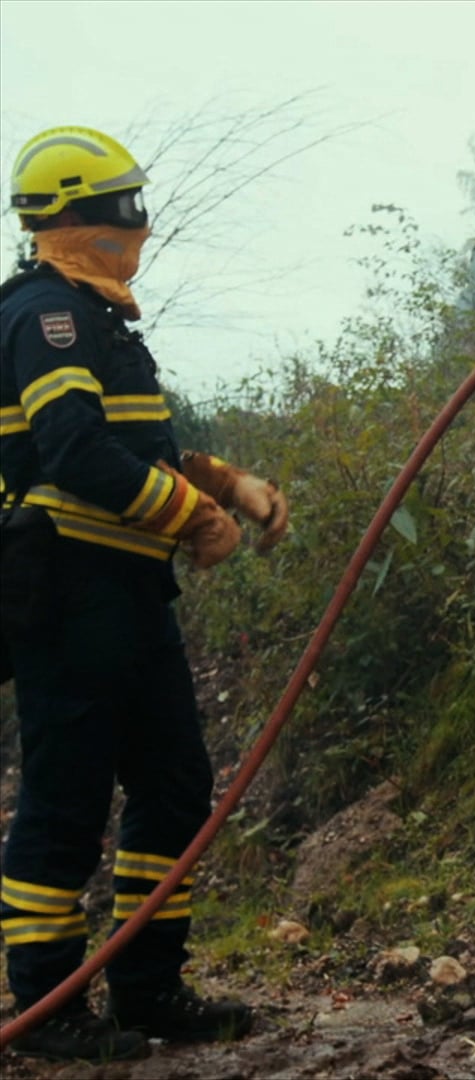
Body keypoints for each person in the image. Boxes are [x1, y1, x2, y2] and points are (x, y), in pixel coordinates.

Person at [0, 126, 286, 1061]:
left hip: (128, 598)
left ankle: (149, 989)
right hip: (69, 594)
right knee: (65, 799)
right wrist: (192, 520)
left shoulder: (100, 321)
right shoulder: (43, 313)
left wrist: (223, 482)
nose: (142, 222)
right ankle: (47, 1011)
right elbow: (75, 452)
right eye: (126, 206)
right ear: (78, 214)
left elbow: (139, 450)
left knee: (173, 786)